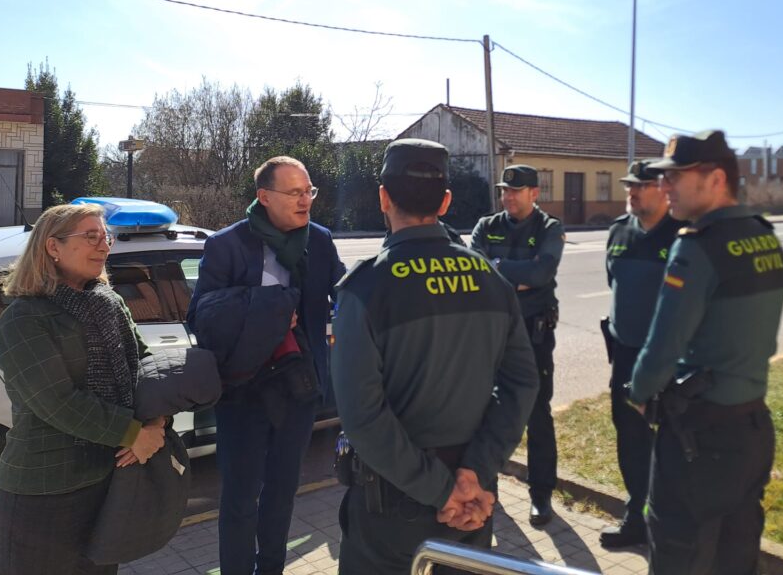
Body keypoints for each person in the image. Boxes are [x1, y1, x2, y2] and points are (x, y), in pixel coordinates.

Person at [332, 139, 538, 575]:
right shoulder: (491, 280)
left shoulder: (366, 288)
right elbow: (522, 384)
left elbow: (362, 416)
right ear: (445, 202)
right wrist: (474, 474)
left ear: (383, 198)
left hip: (393, 508)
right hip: (472, 503)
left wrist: (442, 490)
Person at [629, 130, 783, 575]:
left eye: (676, 177)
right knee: (735, 555)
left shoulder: (697, 245)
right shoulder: (764, 236)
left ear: (716, 179)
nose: (664, 186)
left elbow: (664, 344)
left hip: (698, 438)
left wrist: (638, 392)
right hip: (752, 428)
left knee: (678, 552)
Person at [188, 156, 345, 575]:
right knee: (240, 499)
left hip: (298, 387)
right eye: (294, 192)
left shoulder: (320, 241)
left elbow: (345, 294)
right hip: (242, 392)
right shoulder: (227, 245)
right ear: (264, 196)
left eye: (309, 191)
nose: (305, 200)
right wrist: (266, 311)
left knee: (282, 493)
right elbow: (201, 317)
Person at [0, 203, 166, 575]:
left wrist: (156, 422)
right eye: (91, 236)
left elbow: (145, 365)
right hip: (45, 491)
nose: (104, 246)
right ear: (52, 246)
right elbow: (57, 402)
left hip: (107, 478)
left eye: (106, 237)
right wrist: (133, 433)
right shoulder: (24, 318)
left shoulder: (110, 303)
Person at [470, 164, 565, 527]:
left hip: (534, 332)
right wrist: (518, 274)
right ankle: (486, 484)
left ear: (534, 193)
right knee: (485, 409)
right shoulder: (487, 225)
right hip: (493, 331)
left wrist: (498, 267)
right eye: (504, 190)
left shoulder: (549, 228)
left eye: (515, 190)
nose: (507, 196)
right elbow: (476, 271)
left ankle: (541, 494)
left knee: (537, 413)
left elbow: (542, 273)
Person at [599, 159, 687, 549]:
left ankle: (669, 525)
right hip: (625, 356)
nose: (632, 192)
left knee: (671, 443)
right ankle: (637, 516)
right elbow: (614, 283)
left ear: (664, 190)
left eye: (641, 186)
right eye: (629, 185)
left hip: (670, 360)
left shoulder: (683, 235)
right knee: (631, 439)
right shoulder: (619, 230)